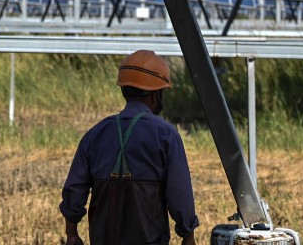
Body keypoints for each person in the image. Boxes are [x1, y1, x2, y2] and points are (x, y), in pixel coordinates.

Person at [60, 50, 199, 245]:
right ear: (155, 94)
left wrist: (72, 233)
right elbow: (180, 193)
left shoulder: (95, 134)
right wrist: (188, 235)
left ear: (124, 90)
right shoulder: (166, 136)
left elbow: (74, 189)